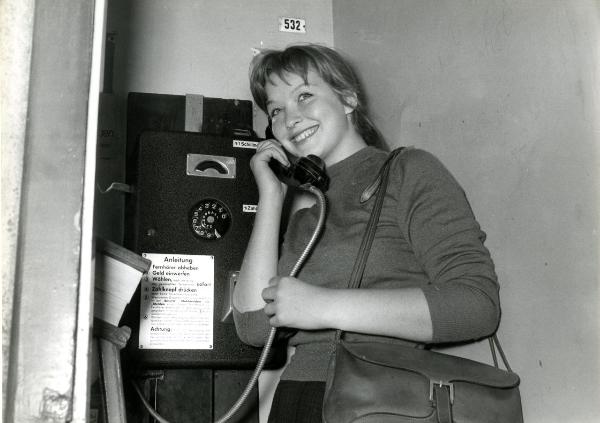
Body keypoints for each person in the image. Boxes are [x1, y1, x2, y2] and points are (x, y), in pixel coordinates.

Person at [232, 44, 500, 423]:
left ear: (347, 98)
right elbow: (254, 327)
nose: (290, 119)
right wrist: (271, 198)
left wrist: (324, 306)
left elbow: (477, 305)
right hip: (296, 399)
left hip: (381, 399)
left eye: (304, 96)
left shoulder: (409, 171)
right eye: (276, 110)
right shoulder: (304, 210)